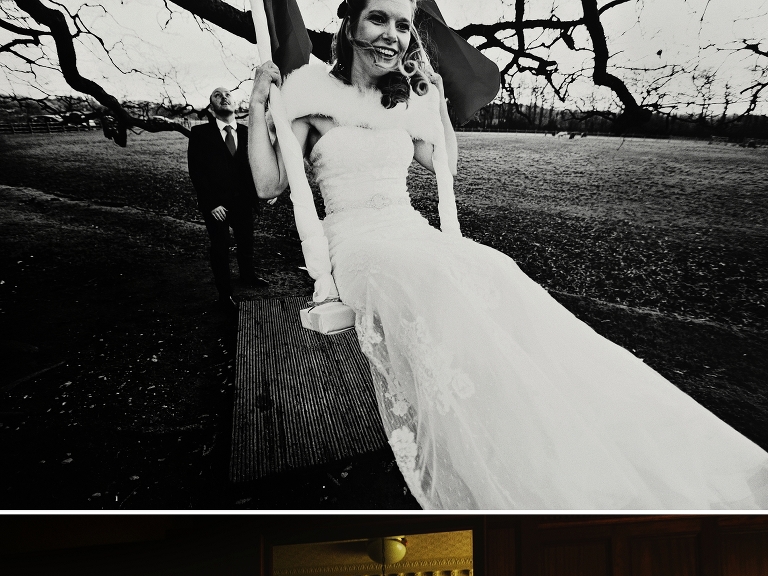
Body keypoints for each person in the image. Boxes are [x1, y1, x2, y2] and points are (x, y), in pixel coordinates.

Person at [247, 2, 768, 511]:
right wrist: (257, 104)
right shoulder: (311, 100)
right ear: (350, 26)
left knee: (492, 267)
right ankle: (481, 428)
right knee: (428, 277)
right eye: (378, 18)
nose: (392, 34)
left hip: (410, 230)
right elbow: (269, 184)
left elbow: (443, 164)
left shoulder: (397, 104)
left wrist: (437, 107)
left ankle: (536, 410)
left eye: (403, 24)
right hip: (358, 242)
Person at [188, 87, 264, 314]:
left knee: (246, 243)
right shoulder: (200, 133)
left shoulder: (248, 132)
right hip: (216, 206)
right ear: (211, 106)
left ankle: (248, 276)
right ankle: (224, 294)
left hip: (243, 202)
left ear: (236, 102)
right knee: (220, 248)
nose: (224, 97)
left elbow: (257, 165)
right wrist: (211, 203)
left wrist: (266, 190)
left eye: (227, 94)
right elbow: (196, 171)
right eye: (216, 95)